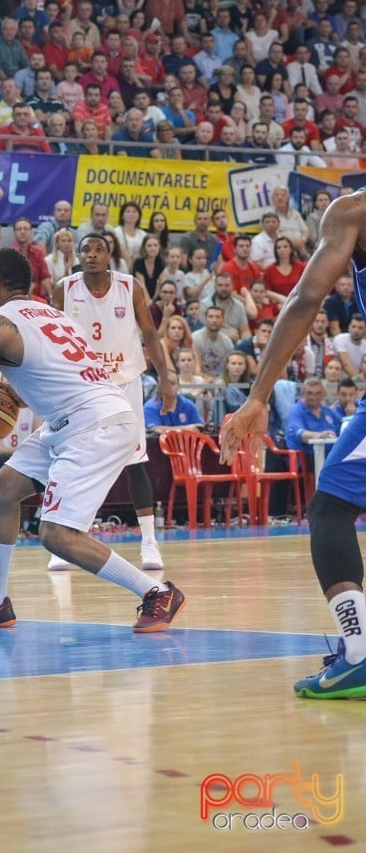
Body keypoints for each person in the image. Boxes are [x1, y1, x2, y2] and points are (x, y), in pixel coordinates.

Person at [0, 248, 184, 633]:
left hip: (92, 425)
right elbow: (32, 387)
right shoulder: (52, 315)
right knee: (1, 491)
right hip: (79, 417)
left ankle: (156, 591)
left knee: (56, 535)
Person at [220, 187, 366, 698]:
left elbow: (307, 299)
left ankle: (360, 652)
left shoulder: (354, 211)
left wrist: (259, 395)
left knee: (331, 508)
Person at [50, 233, 171, 570]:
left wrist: (165, 378)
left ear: (109, 254)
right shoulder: (65, 288)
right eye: (85, 250)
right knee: (74, 461)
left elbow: (149, 334)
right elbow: (49, 337)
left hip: (125, 382)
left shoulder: (129, 286)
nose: (91, 255)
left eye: (98, 249)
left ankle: (149, 542)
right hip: (81, 386)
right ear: (78, 255)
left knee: (135, 461)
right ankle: (64, 540)